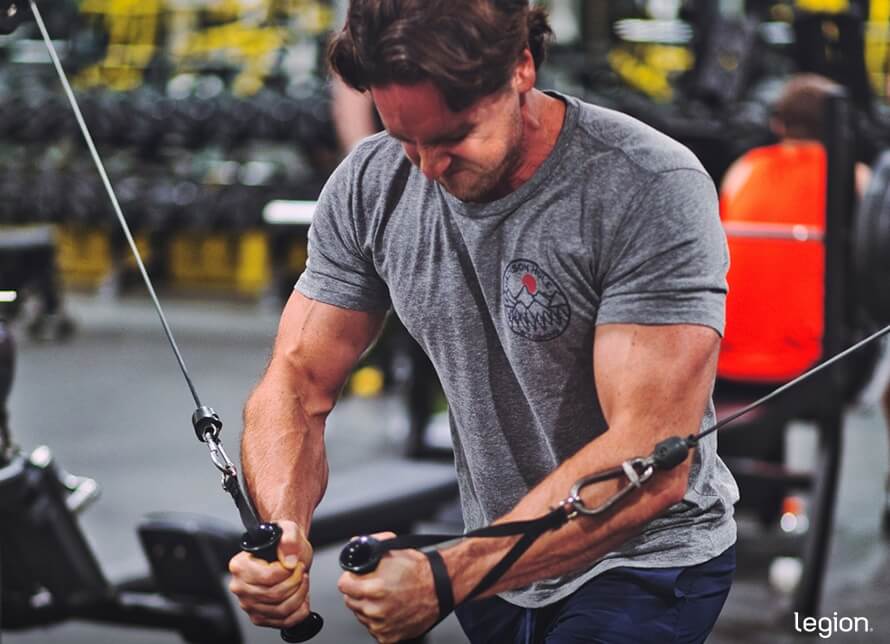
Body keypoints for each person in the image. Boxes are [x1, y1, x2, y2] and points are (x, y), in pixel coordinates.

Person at [227, 2, 739, 642]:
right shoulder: (370, 184)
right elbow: (297, 381)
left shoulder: (645, 184)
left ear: (521, 67)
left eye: (453, 136)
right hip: (495, 562)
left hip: (641, 560)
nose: (427, 166)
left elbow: (651, 453)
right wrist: (283, 532)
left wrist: (448, 575)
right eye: (404, 136)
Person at [719, 73, 890, 535]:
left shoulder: (743, 169)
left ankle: (768, 504)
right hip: (809, 363)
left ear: (778, 124)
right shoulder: (854, 179)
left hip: (726, 357)